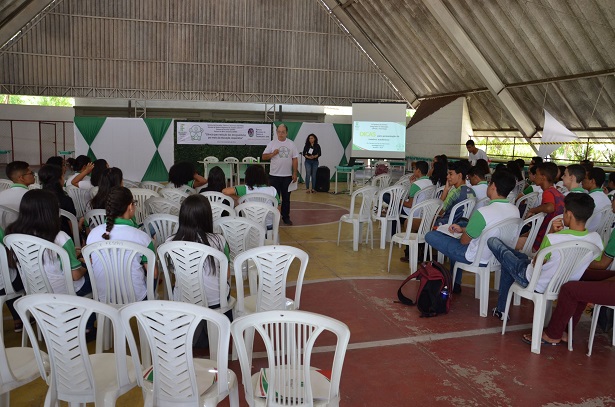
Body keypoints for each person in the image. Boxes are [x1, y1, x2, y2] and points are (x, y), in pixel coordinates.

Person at [488, 192, 603, 320]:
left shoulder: (554, 239)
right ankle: (500, 310)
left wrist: (551, 232)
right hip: (563, 285)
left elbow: (536, 263)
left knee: (493, 242)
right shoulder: (596, 240)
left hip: (534, 281)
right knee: (515, 258)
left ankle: (501, 310)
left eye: (564, 211)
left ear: (569, 214)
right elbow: (594, 262)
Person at [425, 169, 519, 293]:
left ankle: (451, 281)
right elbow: (491, 229)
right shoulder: (515, 211)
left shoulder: (483, 212)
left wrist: (462, 233)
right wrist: (463, 229)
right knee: (460, 228)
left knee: (431, 235)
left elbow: (464, 241)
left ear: (493, 186)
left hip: (476, 257)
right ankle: (455, 282)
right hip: (496, 258)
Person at [6, 189, 91, 297]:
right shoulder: (61, 237)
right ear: (52, 212)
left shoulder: (13, 235)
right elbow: (76, 276)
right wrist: (85, 263)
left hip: (34, 294)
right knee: (97, 275)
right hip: (67, 293)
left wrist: (67, 254)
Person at [86, 186, 156, 302]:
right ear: (130, 207)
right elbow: (153, 274)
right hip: (136, 298)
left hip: (103, 298)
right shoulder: (143, 237)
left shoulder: (93, 234)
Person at [170, 194, 232, 319]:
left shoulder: (170, 242)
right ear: (207, 217)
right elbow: (227, 275)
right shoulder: (219, 240)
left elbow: (173, 271)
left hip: (183, 300)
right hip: (216, 302)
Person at [262, 123, 299, 226]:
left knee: (286, 198)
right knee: (274, 198)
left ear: (286, 133)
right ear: (276, 132)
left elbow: (295, 159)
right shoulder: (272, 144)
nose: (281, 134)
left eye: (283, 132)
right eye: (279, 132)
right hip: (274, 176)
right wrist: (273, 154)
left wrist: (294, 173)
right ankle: (273, 217)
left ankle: (286, 217)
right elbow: (264, 157)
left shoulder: (291, 144)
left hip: (287, 176)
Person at [524, 162, 565, 251]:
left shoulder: (548, 192)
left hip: (542, 240)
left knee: (511, 243)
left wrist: (533, 210)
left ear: (543, 178)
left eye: (536, 174)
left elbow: (550, 208)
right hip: (553, 237)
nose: (534, 176)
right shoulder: (557, 193)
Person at [39, 164, 78, 237]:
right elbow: (73, 230)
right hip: (65, 238)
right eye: (63, 176)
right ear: (58, 180)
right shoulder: (66, 200)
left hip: (41, 238)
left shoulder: (36, 199)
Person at [434, 161, 475, 226]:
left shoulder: (455, 193)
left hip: (446, 224)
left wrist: (445, 190)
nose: (447, 177)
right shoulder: (471, 192)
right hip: (460, 225)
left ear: (459, 175)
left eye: (450, 174)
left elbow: (439, 211)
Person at [582, 167, 610, 232]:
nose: (582, 181)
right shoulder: (606, 198)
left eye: (585, 178)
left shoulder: (588, 199)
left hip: (587, 232)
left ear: (592, 181)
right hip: (599, 234)